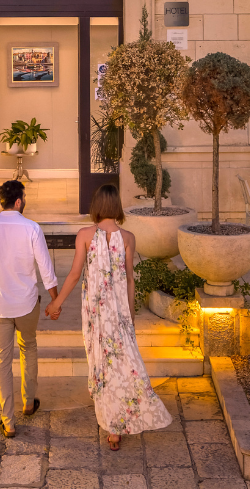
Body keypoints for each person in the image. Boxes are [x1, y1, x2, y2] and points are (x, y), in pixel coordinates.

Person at [46, 184, 174, 450]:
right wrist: (130, 314)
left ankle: (113, 422)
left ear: (96, 207)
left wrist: (56, 303)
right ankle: (121, 418)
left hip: (95, 313)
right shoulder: (127, 237)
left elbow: (74, 275)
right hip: (118, 312)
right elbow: (130, 279)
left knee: (102, 364)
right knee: (124, 361)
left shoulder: (84, 234)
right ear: (116, 206)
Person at [0, 179, 56, 439]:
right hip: (27, 303)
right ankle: (29, 403)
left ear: (1, 202)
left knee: (2, 361)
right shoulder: (32, 228)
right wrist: (55, 299)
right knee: (28, 346)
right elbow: (46, 267)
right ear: (18, 202)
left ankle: (8, 422)